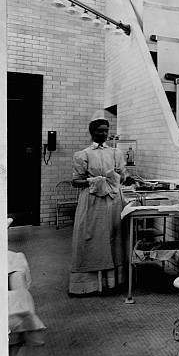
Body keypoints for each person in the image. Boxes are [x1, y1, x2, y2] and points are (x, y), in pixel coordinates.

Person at [68, 112, 130, 297]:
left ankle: (112, 282)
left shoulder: (115, 153)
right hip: (92, 201)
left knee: (113, 237)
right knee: (92, 238)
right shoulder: (83, 155)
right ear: (92, 132)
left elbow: (123, 175)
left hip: (113, 201)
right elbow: (75, 181)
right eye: (100, 131)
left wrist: (125, 178)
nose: (104, 134)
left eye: (106, 131)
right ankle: (89, 285)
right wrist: (95, 180)